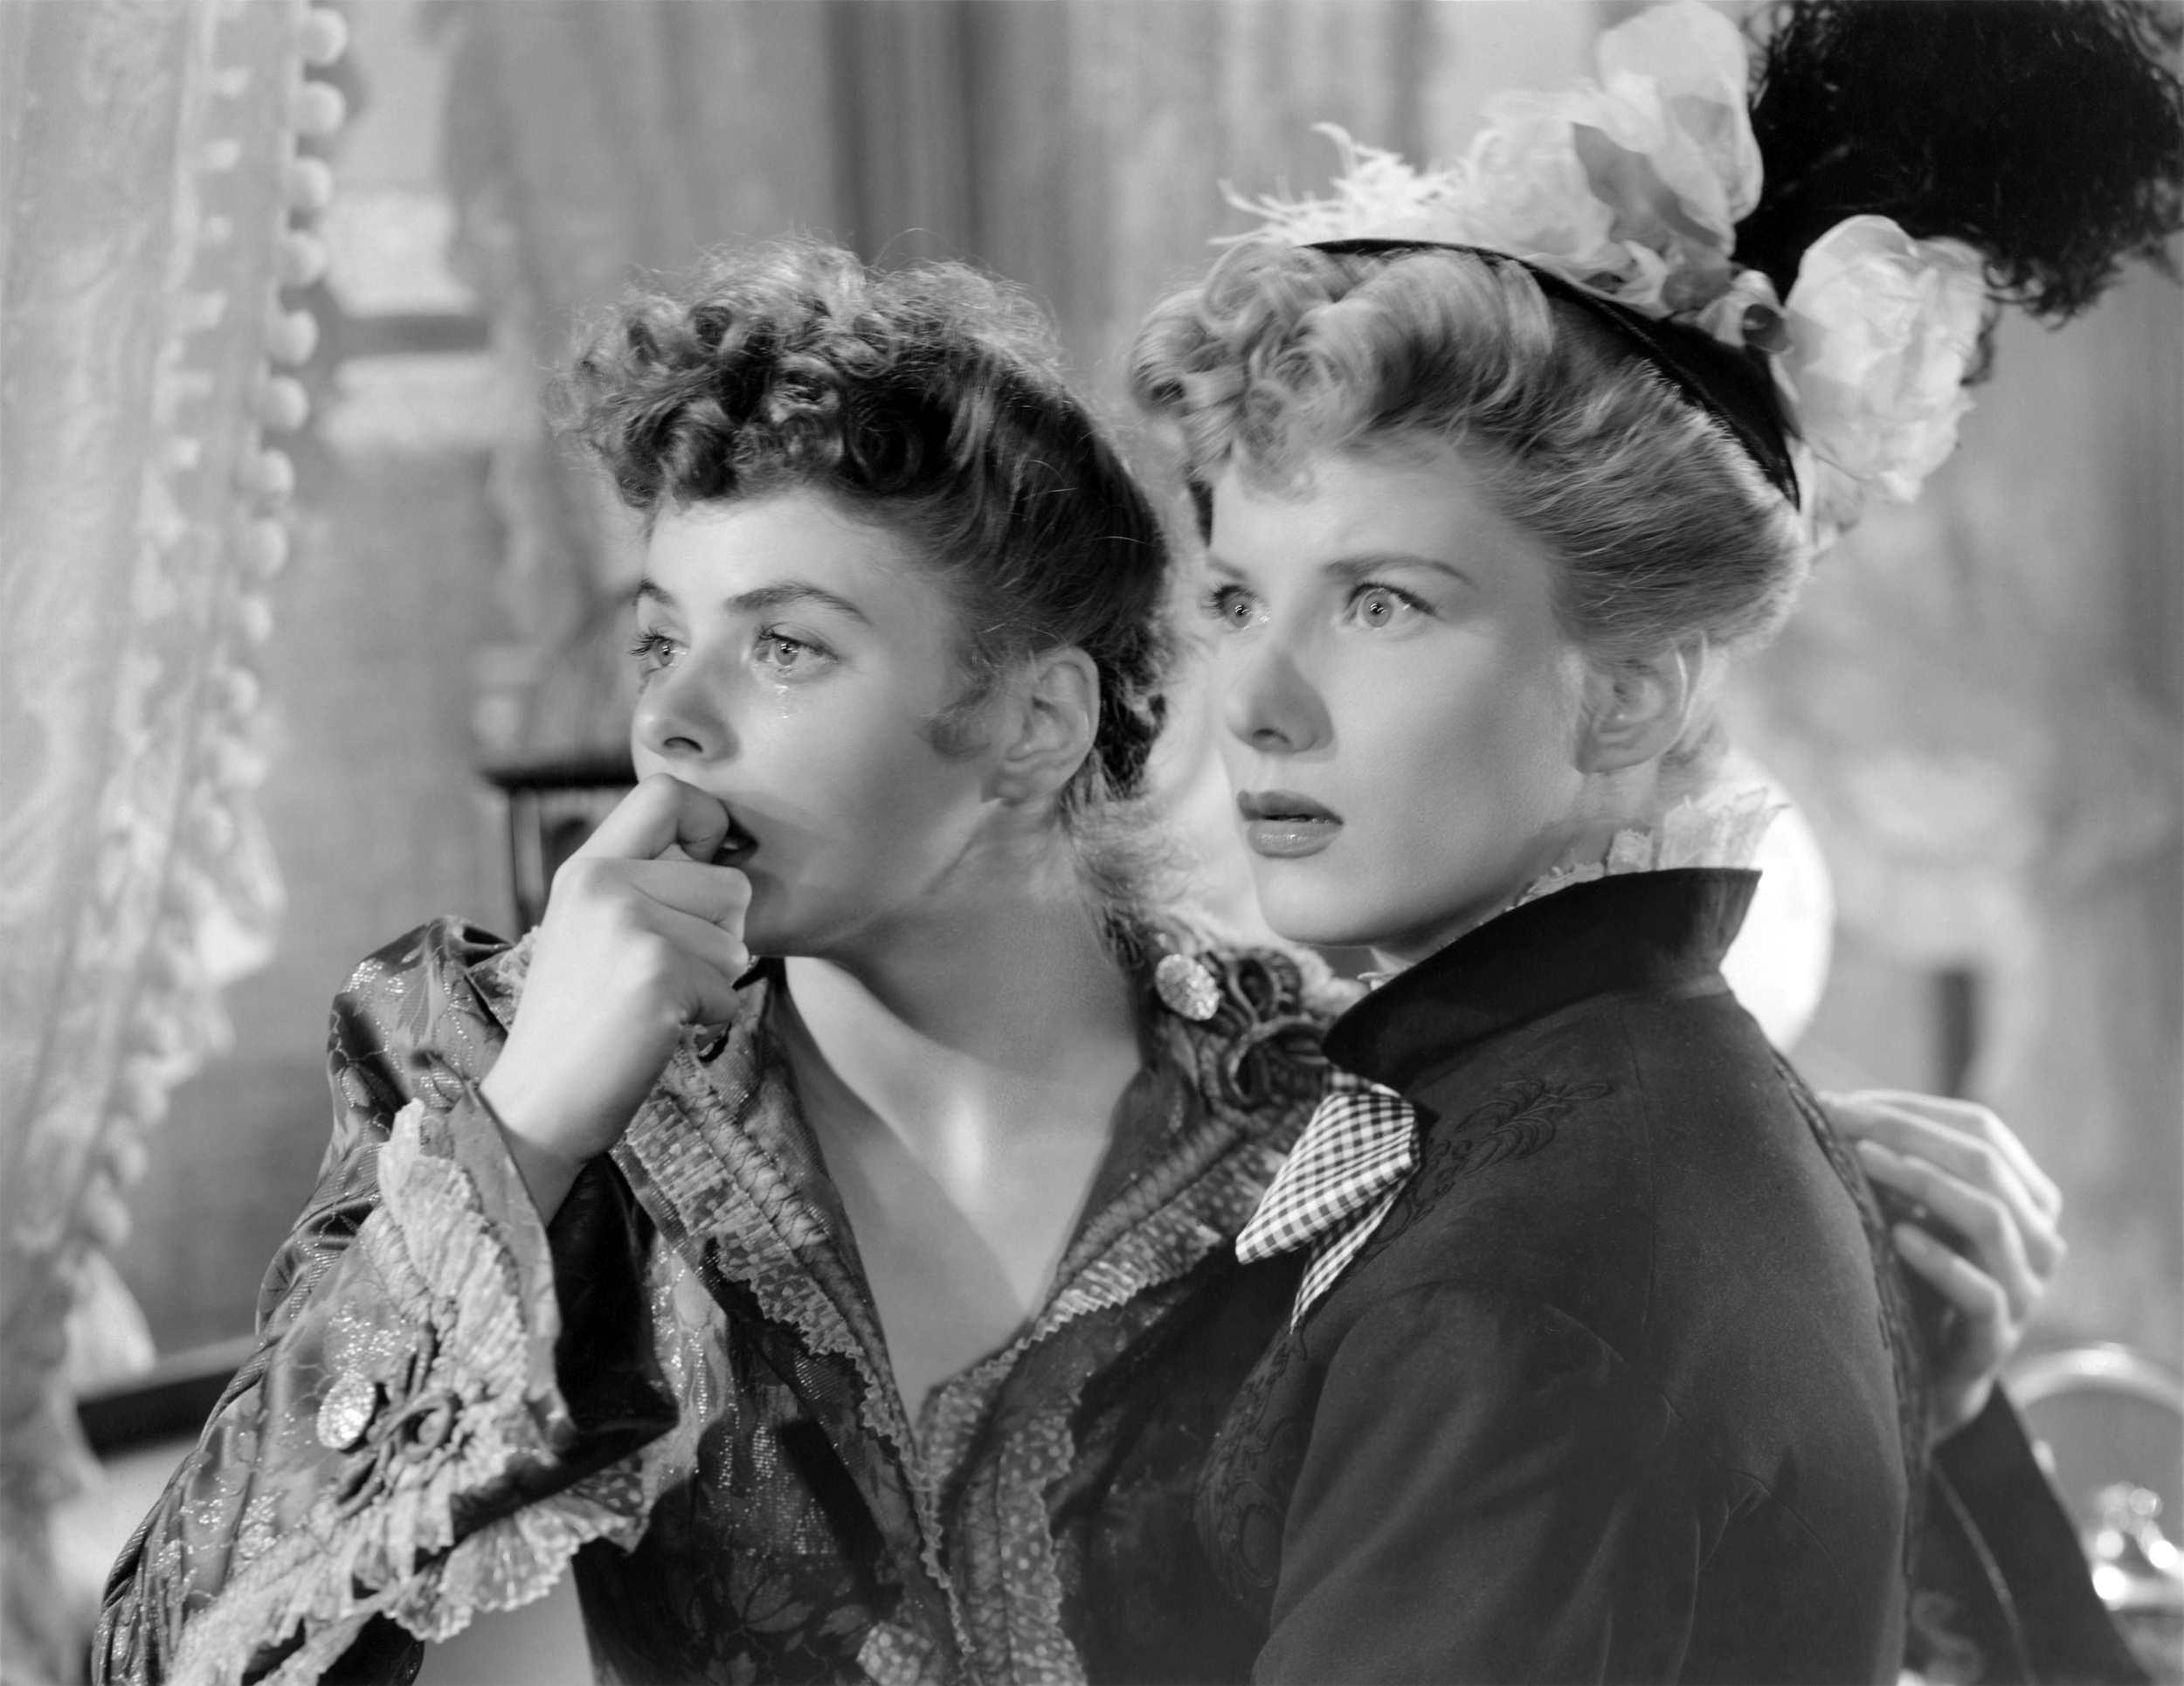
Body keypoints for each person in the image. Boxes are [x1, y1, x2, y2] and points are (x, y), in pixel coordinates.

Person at [99, 241, 2060, 1684]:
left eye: (785, 646)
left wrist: (1923, 1392)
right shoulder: (510, 1086)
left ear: (1034, 723)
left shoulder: (1357, 1113)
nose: (673, 724)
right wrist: (526, 1134)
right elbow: (166, 1650)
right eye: (659, 641)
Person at [1128, 2, 2181, 1681]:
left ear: (1627, 693)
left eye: (1384, 602)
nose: (1253, 701)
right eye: (1242, 598)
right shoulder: (1662, 1107)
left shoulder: (1519, 1286)